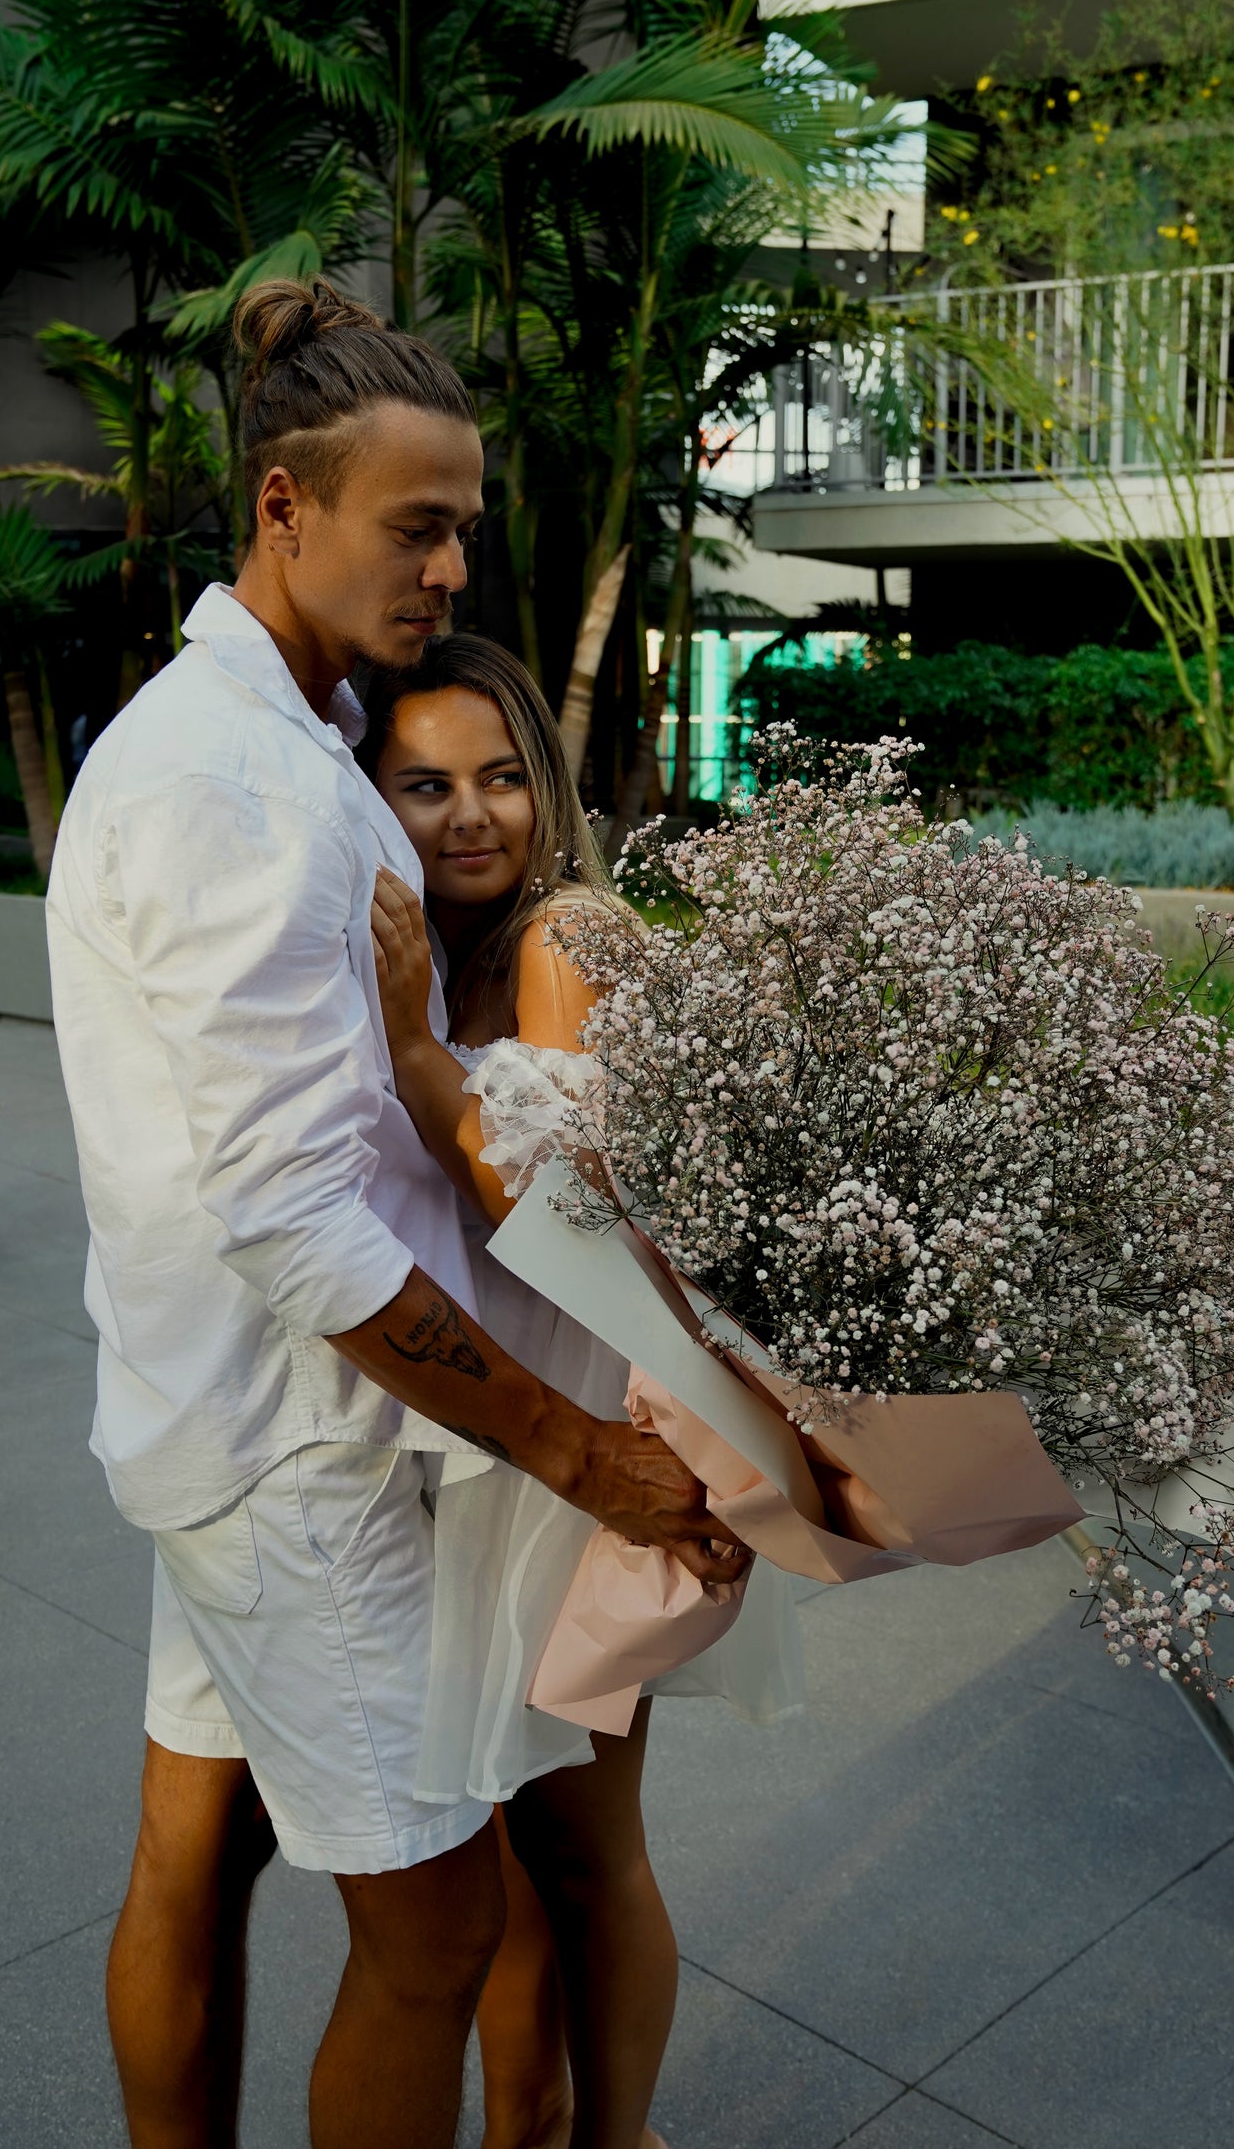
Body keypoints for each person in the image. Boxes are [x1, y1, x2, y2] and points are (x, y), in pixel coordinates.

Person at [45, 277, 748, 2149]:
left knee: (192, 1854)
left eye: (463, 529)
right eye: (415, 525)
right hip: (303, 1454)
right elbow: (296, 1217)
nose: (448, 568)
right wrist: (580, 1455)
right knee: (432, 1933)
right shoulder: (233, 780)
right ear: (284, 508)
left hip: (238, 1421)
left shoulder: (292, 733)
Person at [362, 633, 804, 2149]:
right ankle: (527, 2127)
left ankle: (615, 2137)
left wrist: (414, 1051)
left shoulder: (566, 936)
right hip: (498, 1430)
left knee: (583, 1846)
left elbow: (556, 1218)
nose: (468, 815)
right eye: (424, 785)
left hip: (585, 1433)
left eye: (500, 778)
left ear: (546, 791)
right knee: (509, 1841)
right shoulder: (448, 944)